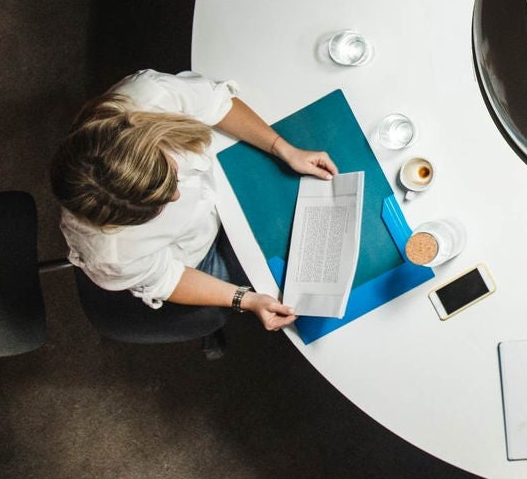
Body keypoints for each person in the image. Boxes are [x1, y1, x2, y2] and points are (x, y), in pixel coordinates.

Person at [51, 69, 333, 331]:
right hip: (200, 253)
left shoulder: (149, 97)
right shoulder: (111, 252)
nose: (176, 195)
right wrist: (246, 300)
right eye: (156, 208)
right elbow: (168, 279)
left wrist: (283, 149)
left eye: (169, 177)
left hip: (227, 180)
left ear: (149, 138)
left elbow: (217, 104)